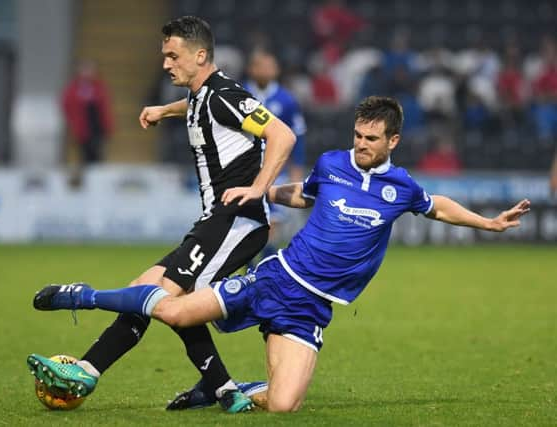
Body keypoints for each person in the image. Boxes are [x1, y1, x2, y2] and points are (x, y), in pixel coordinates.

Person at [28, 96, 530, 412]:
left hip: (312, 308)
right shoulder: (334, 165)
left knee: (284, 405)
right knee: (178, 310)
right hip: (277, 277)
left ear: (393, 140)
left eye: (371, 139)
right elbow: (302, 193)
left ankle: (229, 392)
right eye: (357, 135)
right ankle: (83, 295)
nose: (360, 145)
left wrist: (488, 222)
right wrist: (260, 191)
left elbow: (436, 206)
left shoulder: (401, 188)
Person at [29, 15, 296, 414]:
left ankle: (83, 316)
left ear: (200, 55)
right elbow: (196, 105)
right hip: (214, 222)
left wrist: (259, 189)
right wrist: (163, 111)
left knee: (168, 299)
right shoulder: (202, 96)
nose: (166, 63)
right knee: (146, 289)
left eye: (174, 56)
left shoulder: (224, 94)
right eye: (164, 56)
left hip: (237, 223)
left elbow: (282, 134)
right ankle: (219, 388)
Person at [243, 49, 307, 264]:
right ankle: (250, 266)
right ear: (252, 69)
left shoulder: (286, 100)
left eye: (272, 67)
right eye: (263, 66)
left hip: (275, 167)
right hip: (244, 167)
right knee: (247, 222)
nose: (269, 71)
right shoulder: (240, 94)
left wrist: (296, 167)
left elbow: (297, 134)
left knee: (274, 221)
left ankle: (262, 267)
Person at [62, 59, 114, 164]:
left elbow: (105, 107)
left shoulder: (99, 86)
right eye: (84, 69)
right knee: (85, 154)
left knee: (97, 154)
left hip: (97, 125)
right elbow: (67, 104)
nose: (87, 72)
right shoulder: (73, 88)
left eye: (89, 69)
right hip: (82, 126)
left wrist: (107, 125)